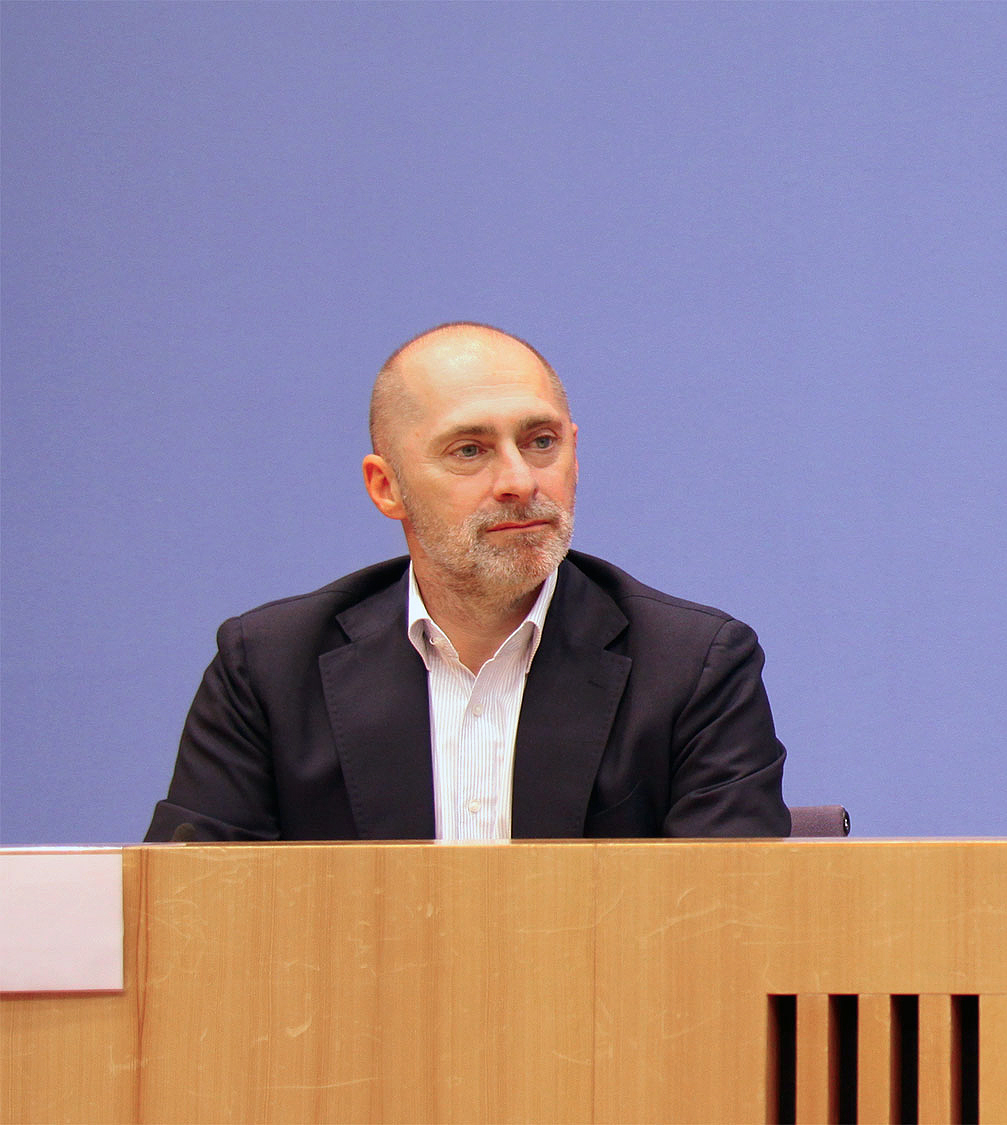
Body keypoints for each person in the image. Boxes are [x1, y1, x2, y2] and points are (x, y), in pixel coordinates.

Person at [146, 323, 790, 841]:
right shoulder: (268, 669)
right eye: (470, 451)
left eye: (540, 442)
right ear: (386, 486)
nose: (519, 482)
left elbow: (726, 933)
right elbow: (193, 924)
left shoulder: (692, 667)